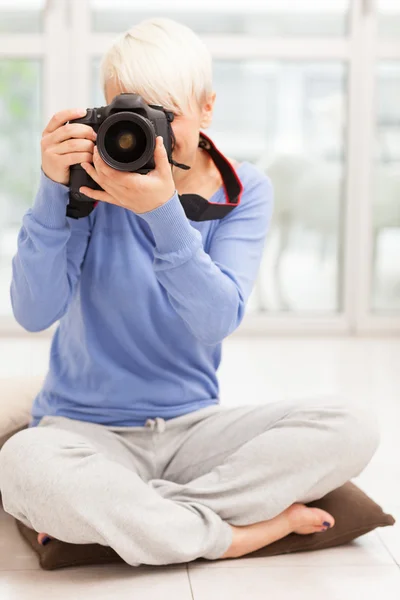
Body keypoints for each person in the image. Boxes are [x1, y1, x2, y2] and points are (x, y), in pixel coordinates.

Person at [0, 18, 380, 566]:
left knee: (350, 428)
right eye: (128, 115)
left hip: (192, 431)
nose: (145, 136)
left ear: (207, 108)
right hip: (83, 428)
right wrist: (52, 188)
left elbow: (214, 320)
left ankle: (137, 520)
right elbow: (34, 312)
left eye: (166, 116)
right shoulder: (88, 180)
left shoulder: (243, 190)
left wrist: (161, 213)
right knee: (22, 464)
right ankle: (239, 533)